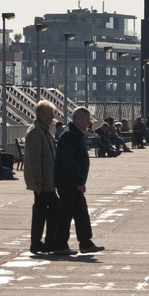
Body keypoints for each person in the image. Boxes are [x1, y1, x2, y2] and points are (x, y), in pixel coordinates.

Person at [52, 107, 103, 254]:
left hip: (73, 181)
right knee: (65, 213)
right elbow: (70, 161)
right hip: (68, 182)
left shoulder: (75, 134)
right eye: (87, 120)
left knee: (81, 212)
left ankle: (85, 243)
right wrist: (79, 181)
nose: (89, 123)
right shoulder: (69, 135)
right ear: (78, 119)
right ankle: (60, 245)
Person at [22, 100, 60, 255]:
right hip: (43, 182)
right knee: (54, 209)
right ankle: (47, 242)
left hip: (47, 180)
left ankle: (38, 243)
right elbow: (34, 158)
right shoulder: (36, 131)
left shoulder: (44, 131)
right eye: (50, 115)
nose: (52, 118)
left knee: (41, 211)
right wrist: (37, 180)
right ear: (41, 115)